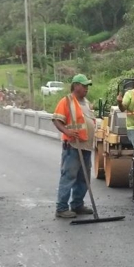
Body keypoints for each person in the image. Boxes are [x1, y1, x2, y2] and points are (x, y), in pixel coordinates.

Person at [52, 74, 96, 219]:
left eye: (87, 86)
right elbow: (57, 120)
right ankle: (61, 208)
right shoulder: (66, 101)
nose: (86, 89)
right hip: (72, 146)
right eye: (84, 86)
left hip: (86, 146)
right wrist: (67, 131)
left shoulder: (87, 103)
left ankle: (77, 204)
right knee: (69, 176)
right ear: (76, 85)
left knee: (83, 178)